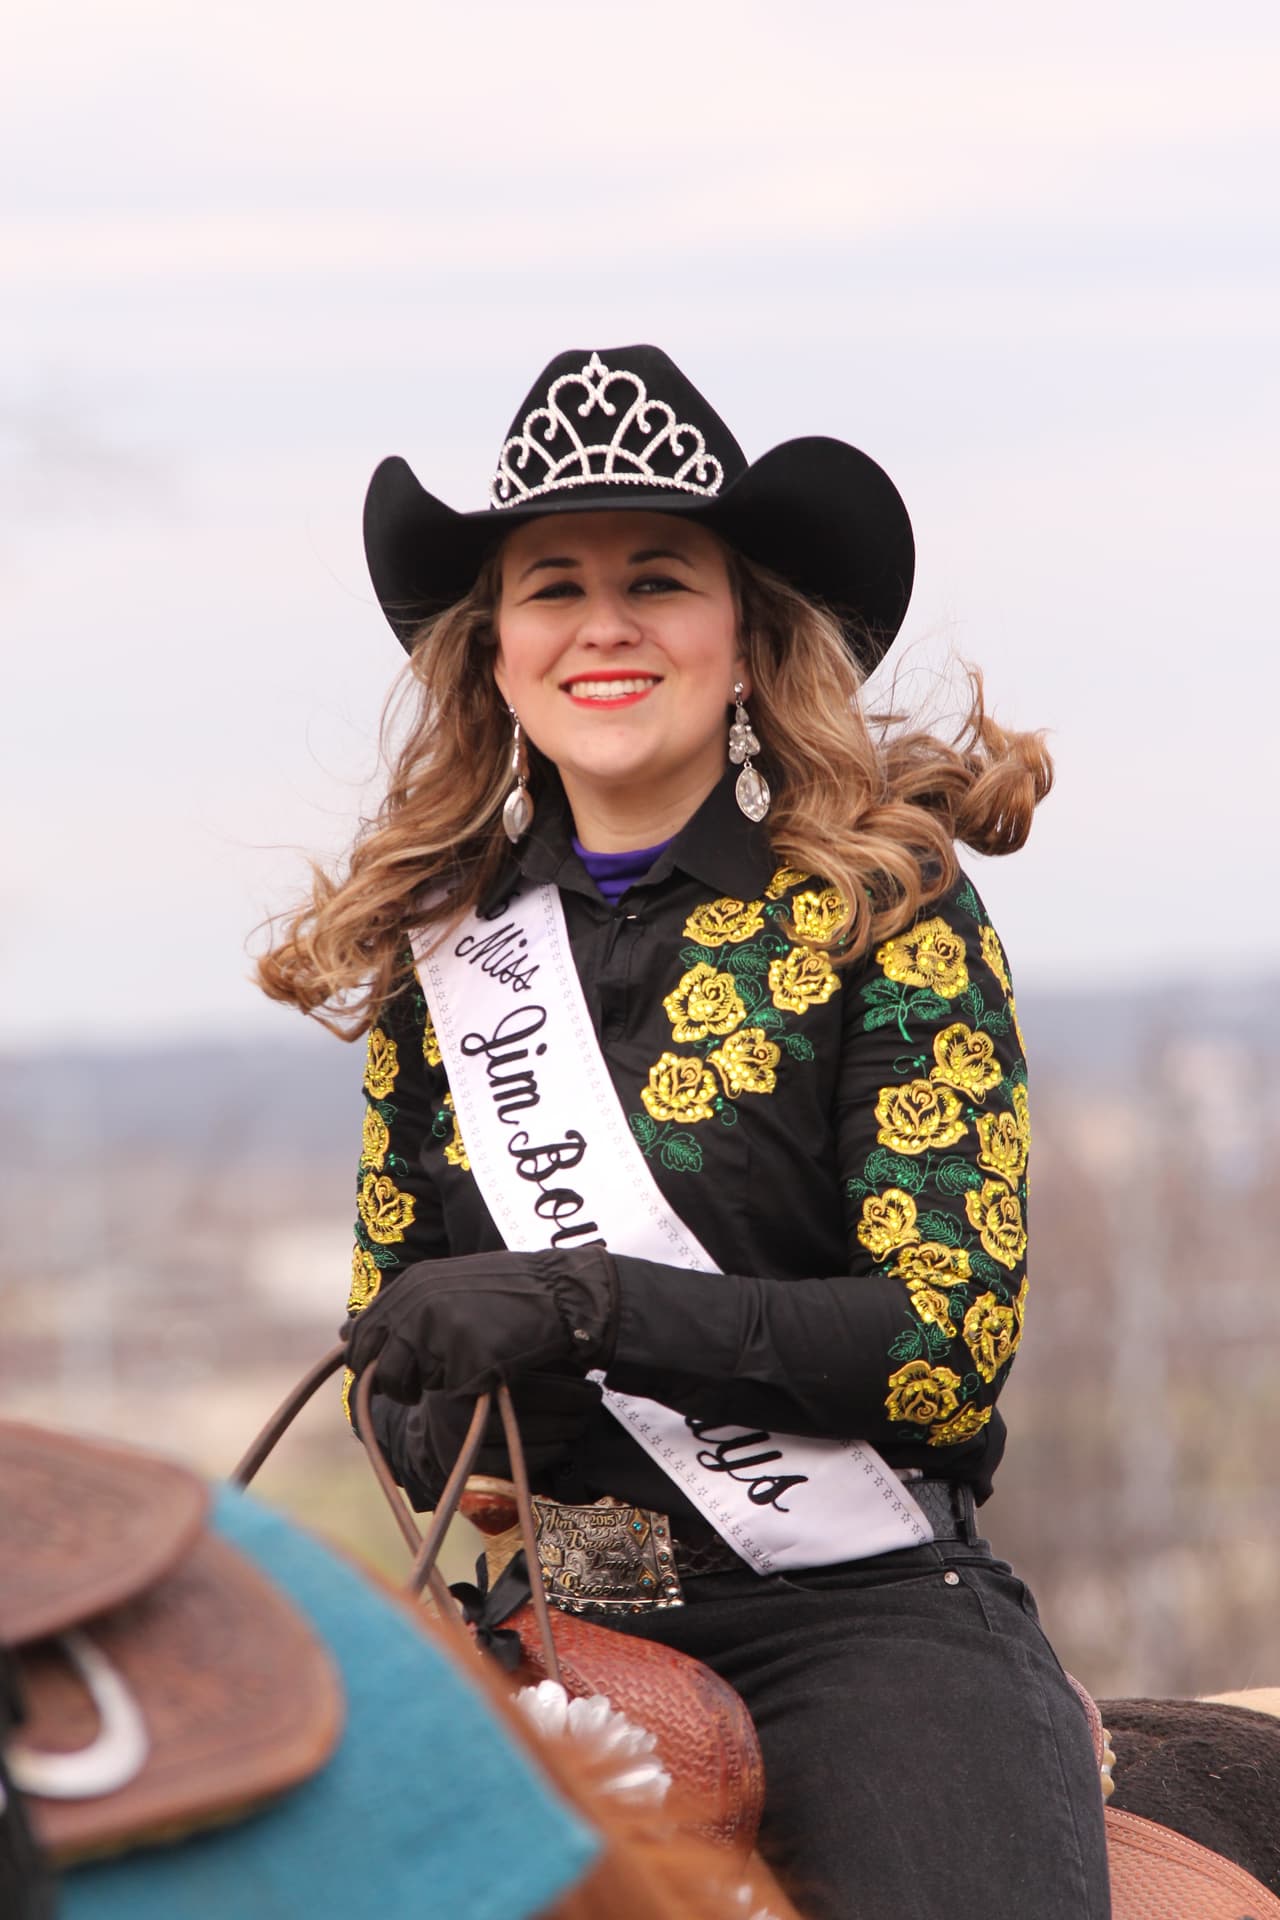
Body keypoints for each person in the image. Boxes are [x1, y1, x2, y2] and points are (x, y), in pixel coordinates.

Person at [257, 345, 1111, 1920]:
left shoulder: (889, 909)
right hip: (543, 1627)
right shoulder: (437, 966)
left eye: (658, 578)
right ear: (498, 658)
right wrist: (441, 1399)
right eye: (550, 588)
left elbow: (939, 1344)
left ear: (743, 639)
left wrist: (584, 1302)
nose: (605, 623)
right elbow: (395, 1380)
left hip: (858, 1621)